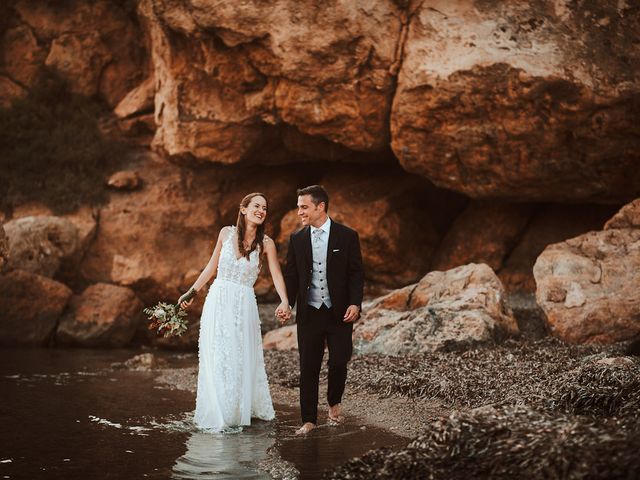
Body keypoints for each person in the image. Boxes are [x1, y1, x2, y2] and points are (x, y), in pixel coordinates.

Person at [178, 192, 290, 432]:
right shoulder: (225, 233)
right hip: (218, 300)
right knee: (218, 354)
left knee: (239, 356)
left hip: (244, 304)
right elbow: (211, 267)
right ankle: (218, 411)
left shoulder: (266, 243)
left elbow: (277, 274)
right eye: (256, 206)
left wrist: (284, 301)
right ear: (243, 209)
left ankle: (236, 410)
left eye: (264, 208)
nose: (261, 210)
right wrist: (191, 292)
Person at [281, 185, 364, 435]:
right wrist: (287, 303)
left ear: (320, 207)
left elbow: (355, 272)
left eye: (304, 207)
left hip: (339, 312)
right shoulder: (297, 239)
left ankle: (334, 402)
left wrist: (355, 303)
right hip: (309, 312)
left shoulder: (347, 236)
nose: (299, 212)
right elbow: (292, 275)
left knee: (339, 360)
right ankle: (309, 420)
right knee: (309, 366)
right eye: (298, 207)